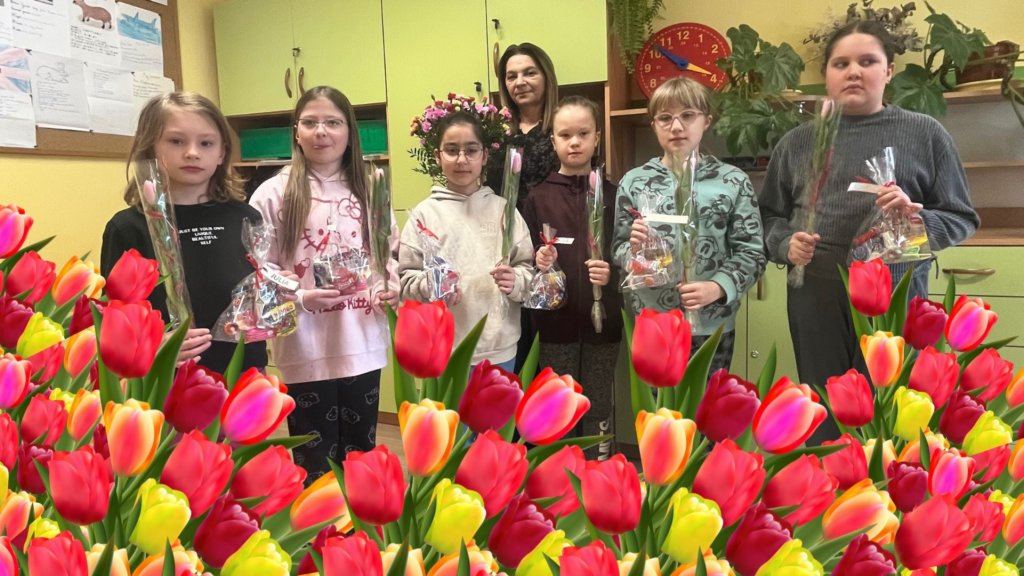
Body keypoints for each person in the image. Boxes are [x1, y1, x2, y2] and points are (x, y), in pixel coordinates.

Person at [758, 20, 979, 440]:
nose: (854, 72)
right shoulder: (797, 143)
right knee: (823, 406)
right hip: (815, 293)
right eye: (841, 63)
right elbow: (767, 215)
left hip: (895, 292)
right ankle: (830, 480)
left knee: (891, 412)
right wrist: (785, 243)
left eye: (867, 61)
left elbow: (961, 217)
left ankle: (888, 480)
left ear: (888, 71)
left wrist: (917, 222)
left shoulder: (925, 133)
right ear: (827, 74)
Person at [249, 85, 399, 482]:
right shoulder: (273, 193)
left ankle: (362, 523)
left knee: (361, 454)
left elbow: (389, 254)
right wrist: (299, 296)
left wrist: (388, 286)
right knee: (315, 462)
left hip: (361, 343)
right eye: (310, 122)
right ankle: (321, 522)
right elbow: (256, 266)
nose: (321, 132)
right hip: (305, 347)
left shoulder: (370, 186)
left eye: (333, 122)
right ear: (296, 132)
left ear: (349, 131)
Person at [101, 91, 267, 375]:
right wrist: (153, 345)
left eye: (206, 143)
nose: (192, 152)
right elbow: (114, 322)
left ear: (222, 152)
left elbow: (257, 299)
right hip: (167, 378)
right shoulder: (128, 228)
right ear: (150, 147)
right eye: (176, 141)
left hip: (244, 374)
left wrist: (278, 291)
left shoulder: (246, 218)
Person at [612, 77, 767, 378]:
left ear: (706, 121)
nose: (676, 126)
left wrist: (717, 287)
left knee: (709, 403)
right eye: (665, 118)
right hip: (655, 322)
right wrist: (634, 253)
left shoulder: (732, 181)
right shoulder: (635, 182)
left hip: (713, 323)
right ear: (654, 125)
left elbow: (752, 252)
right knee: (659, 406)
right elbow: (618, 247)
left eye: (687, 115)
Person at [522, 95, 623, 460]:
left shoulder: (614, 196)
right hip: (555, 325)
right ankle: (557, 474)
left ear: (597, 137)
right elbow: (524, 261)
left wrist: (613, 271)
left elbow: (631, 257)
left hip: (604, 324)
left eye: (583, 133)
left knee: (598, 404)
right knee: (558, 405)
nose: (575, 142)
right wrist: (540, 260)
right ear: (554, 141)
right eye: (565, 135)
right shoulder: (538, 198)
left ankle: (598, 473)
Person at [398, 110, 534, 372]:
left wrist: (515, 281)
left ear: (484, 156)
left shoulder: (504, 210)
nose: (462, 159)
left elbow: (528, 269)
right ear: (437, 156)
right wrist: (431, 285)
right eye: (451, 150)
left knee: (496, 402)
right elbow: (404, 280)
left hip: (499, 348)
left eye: (471, 150)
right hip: (443, 348)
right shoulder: (424, 215)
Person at [488, 42, 561, 372]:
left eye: (529, 72)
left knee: (549, 352)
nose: (520, 82)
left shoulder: (562, 128)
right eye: (511, 76)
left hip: (553, 251)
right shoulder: (497, 135)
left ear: (546, 77)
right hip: (508, 254)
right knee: (513, 351)